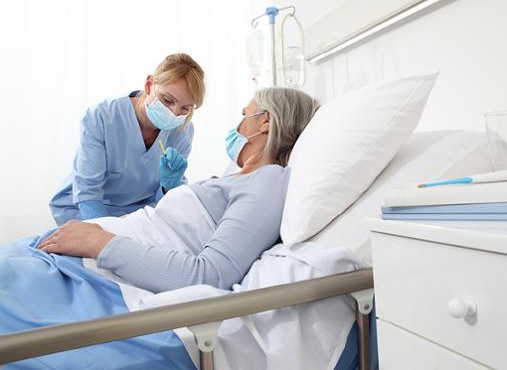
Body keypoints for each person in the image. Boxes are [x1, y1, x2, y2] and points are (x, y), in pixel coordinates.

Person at [37, 88, 319, 292]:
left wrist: (99, 242)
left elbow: (210, 275)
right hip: (88, 251)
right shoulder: (237, 178)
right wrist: (98, 229)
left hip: (102, 267)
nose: (238, 124)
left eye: (245, 114)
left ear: (265, 120)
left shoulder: (268, 182)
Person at [49, 53, 206, 226]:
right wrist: (109, 233)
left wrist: (169, 186)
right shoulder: (102, 117)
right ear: (148, 85)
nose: (174, 113)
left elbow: (166, 204)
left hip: (137, 215)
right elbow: (88, 194)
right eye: (167, 100)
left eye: (185, 108)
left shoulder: (182, 131)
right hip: (85, 211)